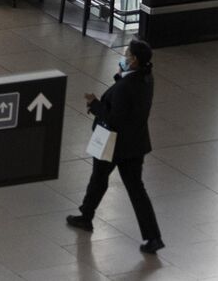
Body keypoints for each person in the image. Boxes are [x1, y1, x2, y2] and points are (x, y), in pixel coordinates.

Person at [67, 39, 165, 254]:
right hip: (135, 144)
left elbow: (113, 119)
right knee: (137, 191)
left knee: (99, 178)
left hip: (113, 143)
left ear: (134, 60)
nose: (124, 56)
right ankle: (153, 236)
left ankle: (86, 216)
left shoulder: (126, 86)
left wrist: (95, 104)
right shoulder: (146, 79)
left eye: (127, 54)